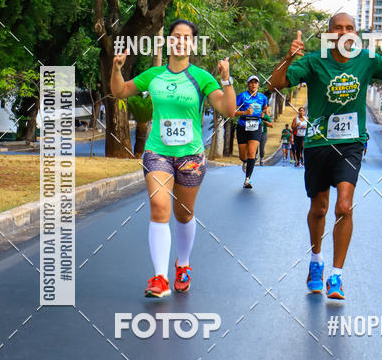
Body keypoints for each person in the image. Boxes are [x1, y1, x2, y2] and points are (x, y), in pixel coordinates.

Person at [269, 13, 382, 300]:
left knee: (344, 207)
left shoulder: (366, 59)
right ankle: (316, 261)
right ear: (329, 34)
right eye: (338, 28)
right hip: (317, 143)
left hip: (351, 143)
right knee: (319, 208)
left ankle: (336, 276)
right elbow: (275, 84)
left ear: (355, 34)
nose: (344, 32)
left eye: (350, 28)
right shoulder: (314, 61)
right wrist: (288, 58)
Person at [111, 18, 236, 297]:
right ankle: (159, 278)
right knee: (159, 207)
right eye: (175, 36)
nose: (180, 41)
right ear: (168, 41)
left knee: (184, 213)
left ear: (193, 44)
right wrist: (116, 69)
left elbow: (228, 110)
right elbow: (119, 91)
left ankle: (183, 264)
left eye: (186, 38)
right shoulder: (153, 75)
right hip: (158, 152)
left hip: (190, 156)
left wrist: (226, 79)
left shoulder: (201, 77)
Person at [235, 75, 269, 188]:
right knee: (243, 156)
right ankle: (245, 162)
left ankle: (247, 179)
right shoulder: (242, 96)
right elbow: (233, 111)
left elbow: (265, 108)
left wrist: (264, 113)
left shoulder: (263, 97)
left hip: (256, 126)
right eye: (251, 82)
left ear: (258, 84)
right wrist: (245, 113)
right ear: (248, 84)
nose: (253, 84)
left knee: (251, 152)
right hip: (242, 126)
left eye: (255, 82)